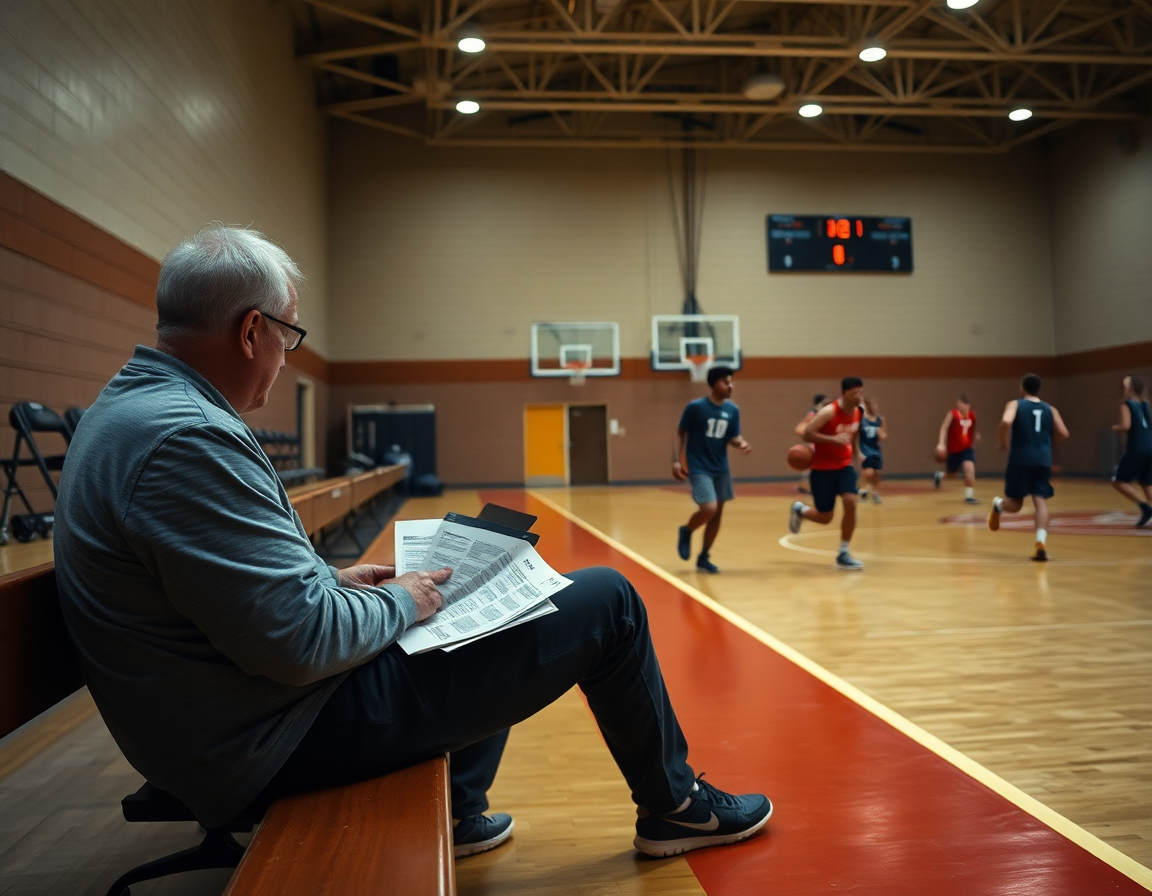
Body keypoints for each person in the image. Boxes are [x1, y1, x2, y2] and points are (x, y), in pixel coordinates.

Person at [53, 225, 772, 862]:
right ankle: (675, 806)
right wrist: (400, 598)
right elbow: (298, 646)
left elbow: (227, 597)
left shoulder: (135, 410)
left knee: (475, 598)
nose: (286, 357)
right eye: (289, 337)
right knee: (607, 600)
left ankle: (457, 808)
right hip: (263, 742)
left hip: (230, 721)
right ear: (251, 331)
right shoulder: (189, 439)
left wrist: (338, 584)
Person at [674, 366, 752, 574]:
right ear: (714, 384)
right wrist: (677, 460)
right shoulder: (696, 408)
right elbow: (680, 434)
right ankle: (687, 530)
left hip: (721, 468)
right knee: (709, 509)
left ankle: (704, 556)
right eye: (725, 382)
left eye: (731, 382)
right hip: (699, 467)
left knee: (717, 515)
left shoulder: (732, 410)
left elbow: (732, 436)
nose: (730, 386)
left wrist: (741, 442)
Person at [988, 373, 1070, 561]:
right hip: (1043, 459)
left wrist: (1002, 441)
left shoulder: (1015, 404)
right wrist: (1046, 441)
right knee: (1040, 500)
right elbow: (1064, 433)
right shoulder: (1050, 408)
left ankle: (998, 505)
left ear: (1022, 387)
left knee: (1015, 504)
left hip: (1020, 459)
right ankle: (1040, 542)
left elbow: (1006, 421)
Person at [789, 377, 865, 570]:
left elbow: (853, 435)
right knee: (825, 517)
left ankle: (844, 552)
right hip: (822, 470)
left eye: (861, 392)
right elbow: (807, 433)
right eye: (856, 393)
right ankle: (800, 510)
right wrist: (833, 440)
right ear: (846, 393)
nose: (859, 396)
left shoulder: (858, 412)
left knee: (851, 501)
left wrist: (858, 454)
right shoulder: (829, 412)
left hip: (844, 466)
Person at [1111, 375, 1152, 527]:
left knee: (1118, 481)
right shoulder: (1145, 404)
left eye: (1125, 385)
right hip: (1150, 446)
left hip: (1137, 447)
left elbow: (1126, 425)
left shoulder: (1126, 403)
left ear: (1131, 388)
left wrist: (1116, 427)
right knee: (1147, 483)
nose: (1122, 387)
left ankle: (1145, 507)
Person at [934, 394, 981, 503]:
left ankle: (969, 496)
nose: (961, 406)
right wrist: (941, 443)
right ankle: (939, 476)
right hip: (954, 450)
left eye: (964, 405)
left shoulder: (972, 415)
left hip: (967, 449)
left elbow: (974, 426)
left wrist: (976, 433)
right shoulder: (952, 414)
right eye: (959, 404)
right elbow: (944, 428)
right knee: (952, 474)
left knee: (969, 467)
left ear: (968, 405)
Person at [794, 394, 827, 494]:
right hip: (816, 442)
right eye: (825, 402)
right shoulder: (813, 413)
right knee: (813, 465)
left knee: (815, 465)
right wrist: (808, 436)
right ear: (820, 403)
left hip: (822, 442)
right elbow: (800, 428)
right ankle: (809, 486)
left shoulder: (823, 412)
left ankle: (806, 485)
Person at [857, 396, 887, 504]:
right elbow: (855, 436)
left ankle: (875, 493)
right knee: (868, 472)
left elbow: (884, 435)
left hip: (876, 449)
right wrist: (858, 451)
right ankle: (862, 490)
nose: (875, 407)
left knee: (877, 473)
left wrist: (882, 434)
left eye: (876, 405)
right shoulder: (862, 420)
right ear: (867, 406)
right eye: (872, 405)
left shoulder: (880, 419)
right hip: (865, 449)